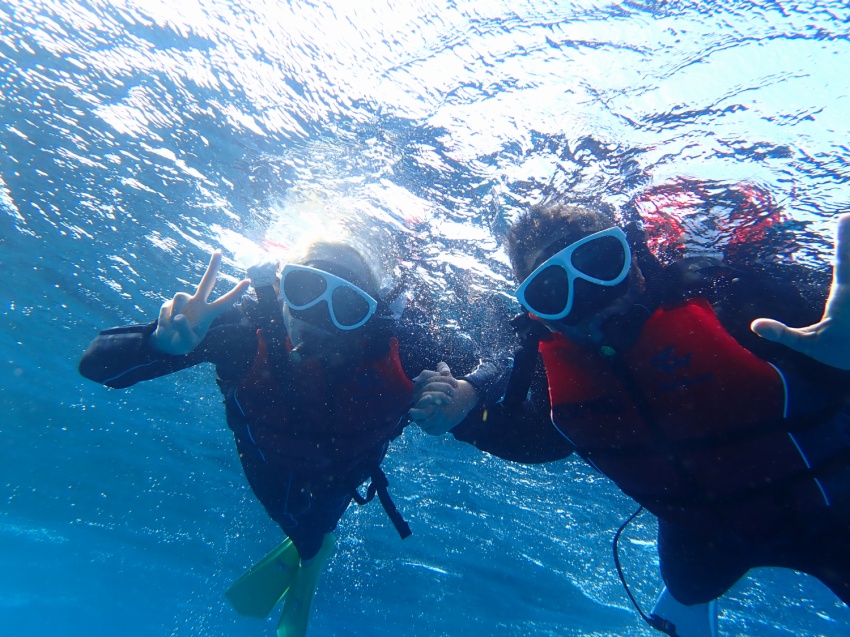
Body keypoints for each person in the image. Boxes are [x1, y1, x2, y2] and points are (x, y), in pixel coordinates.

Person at [410, 198, 850, 637]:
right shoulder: (559, 375)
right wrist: (468, 416)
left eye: (600, 262)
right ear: (538, 315)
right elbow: (542, 440)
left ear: (635, 260)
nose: (590, 297)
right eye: (552, 290)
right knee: (689, 584)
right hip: (701, 536)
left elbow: (832, 333)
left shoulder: (740, 308)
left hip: (833, 520)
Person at [79, 241, 498, 637]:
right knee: (296, 520)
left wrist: (466, 393)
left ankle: (313, 546)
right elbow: (95, 366)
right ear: (279, 290)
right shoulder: (243, 331)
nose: (318, 317)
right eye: (305, 289)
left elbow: (508, 368)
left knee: (318, 523)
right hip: (269, 463)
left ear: (372, 315)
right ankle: (310, 546)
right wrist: (157, 344)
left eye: (347, 306)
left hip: (350, 469)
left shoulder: (407, 348)